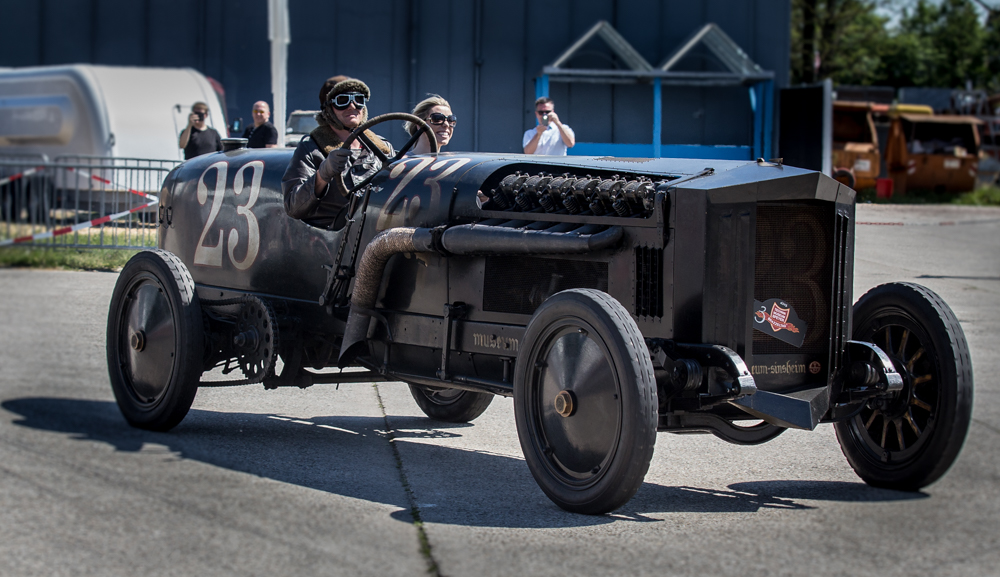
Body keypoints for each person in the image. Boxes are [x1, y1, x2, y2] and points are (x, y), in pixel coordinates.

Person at [282, 76, 394, 229]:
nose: (352, 106)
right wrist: (322, 175)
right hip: (332, 240)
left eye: (359, 100)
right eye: (342, 101)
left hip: (377, 233)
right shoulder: (311, 147)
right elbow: (293, 207)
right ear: (328, 109)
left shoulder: (382, 147)